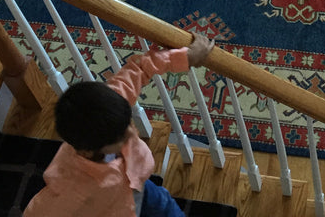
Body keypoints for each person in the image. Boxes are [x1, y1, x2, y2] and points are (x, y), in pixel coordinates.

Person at [24, 33, 215, 217]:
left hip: (141, 185)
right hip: (114, 209)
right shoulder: (72, 190)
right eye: (122, 137)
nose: (132, 132)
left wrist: (185, 57)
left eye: (127, 124)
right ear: (87, 152)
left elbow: (140, 69)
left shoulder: (109, 104)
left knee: (165, 206)